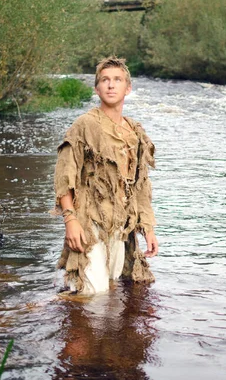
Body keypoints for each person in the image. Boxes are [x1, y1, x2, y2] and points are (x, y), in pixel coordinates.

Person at [53, 56, 158, 294]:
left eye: (117, 80)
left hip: (120, 225)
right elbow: (63, 178)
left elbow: (140, 185)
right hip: (90, 221)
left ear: (128, 88)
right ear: (96, 88)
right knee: (91, 292)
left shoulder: (135, 132)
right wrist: (70, 221)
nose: (111, 85)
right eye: (105, 80)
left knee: (110, 288)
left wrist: (148, 228)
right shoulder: (84, 125)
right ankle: (39, 310)